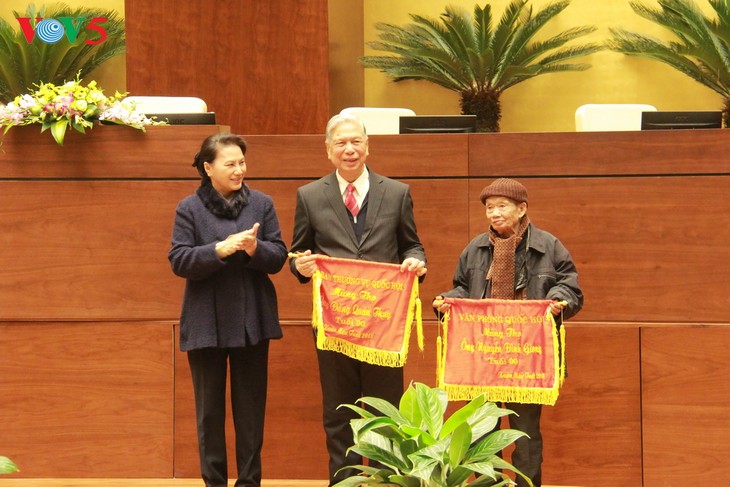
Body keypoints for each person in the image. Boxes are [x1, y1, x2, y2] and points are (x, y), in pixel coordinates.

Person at [289, 113, 427, 485]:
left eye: (356, 142)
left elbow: (411, 244)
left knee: (387, 410)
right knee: (338, 412)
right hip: (335, 325)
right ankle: (344, 481)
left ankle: (386, 480)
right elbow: (298, 251)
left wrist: (417, 261)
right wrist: (299, 266)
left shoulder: (397, 192)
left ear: (368, 146)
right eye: (341, 143)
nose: (349, 149)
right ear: (328, 151)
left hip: (384, 324)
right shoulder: (310, 195)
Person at [432, 178, 583, 487]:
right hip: (483, 355)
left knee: (525, 435)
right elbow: (462, 287)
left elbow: (570, 287)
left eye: (502, 206)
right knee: (482, 433)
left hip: (526, 356)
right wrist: (447, 302)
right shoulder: (475, 248)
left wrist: (558, 301)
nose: (494, 214)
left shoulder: (548, 245)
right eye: (489, 208)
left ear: (521, 208)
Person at [168, 133, 288, 487]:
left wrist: (254, 249)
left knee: (251, 411)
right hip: (207, 320)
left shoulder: (261, 204)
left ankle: (250, 482)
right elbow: (178, 259)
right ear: (208, 168)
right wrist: (218, 250)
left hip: (253, 319)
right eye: (230, 164)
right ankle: (214, 482)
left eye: (242, 163)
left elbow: (279, 256)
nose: (239, 171)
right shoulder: (188, 208)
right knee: (209, 413)